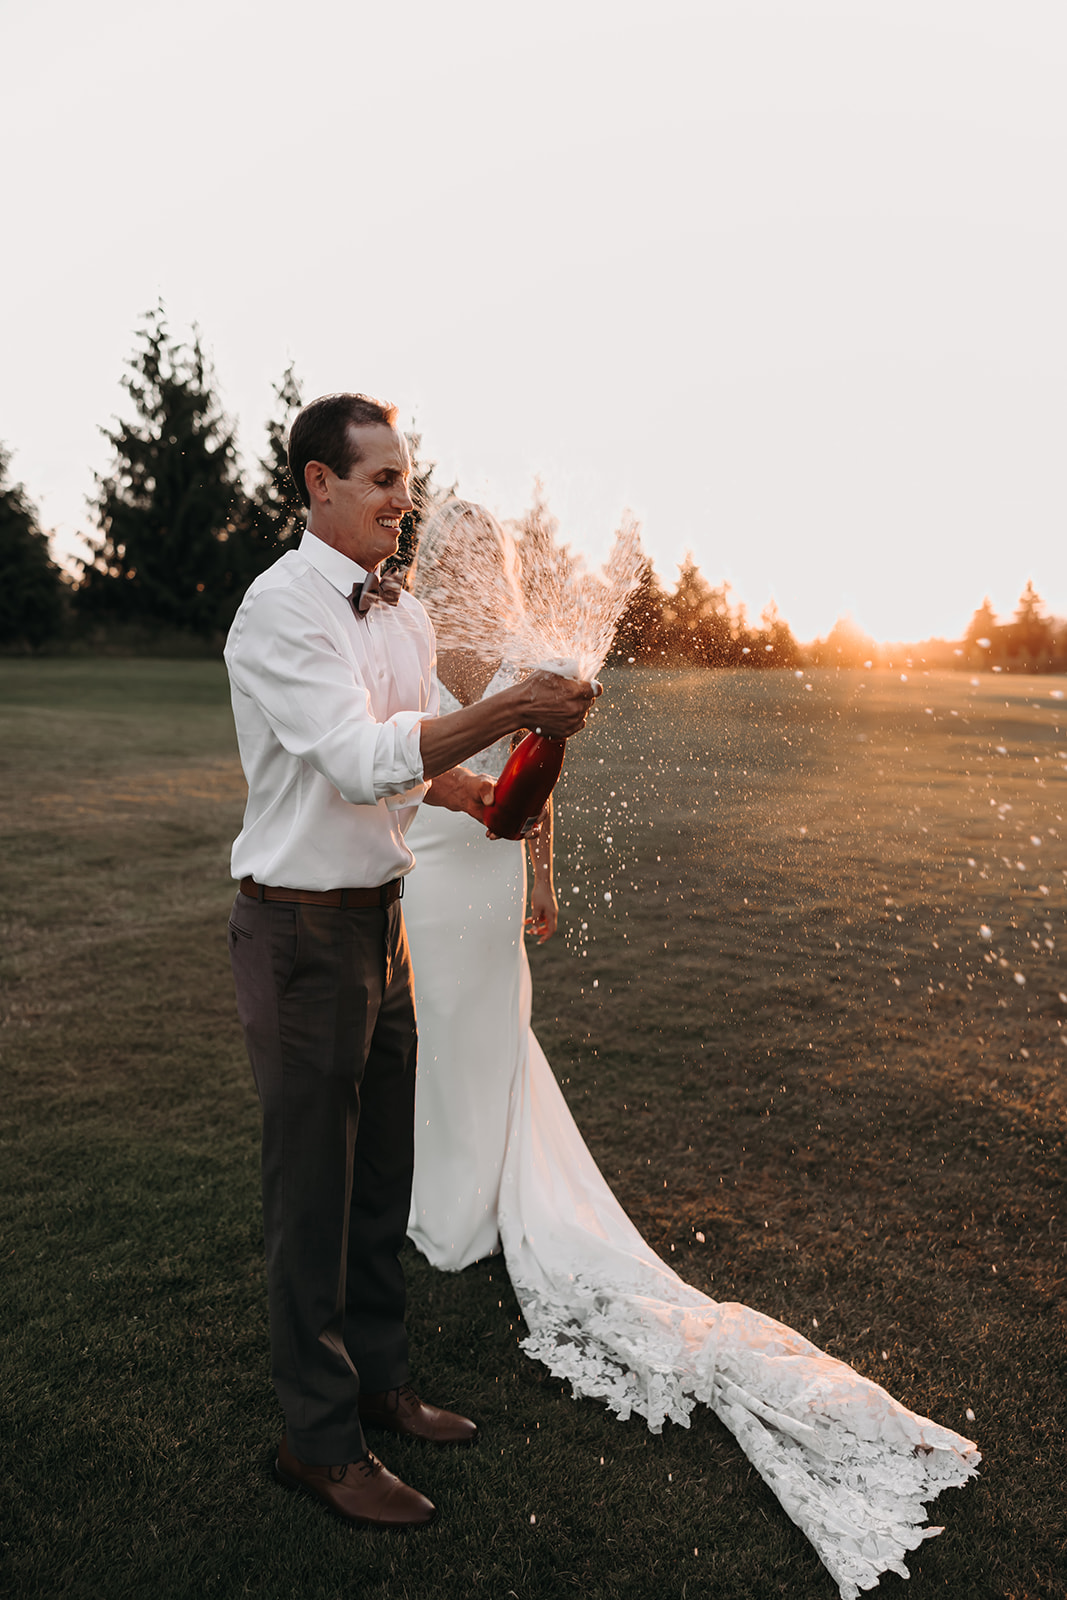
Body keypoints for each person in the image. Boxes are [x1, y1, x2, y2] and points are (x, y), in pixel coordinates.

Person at [403, 502, 981, 1599]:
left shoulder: (525, 657)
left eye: (486, 550)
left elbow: (538, 782)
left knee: (485, 1042)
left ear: (499, 562)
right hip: (420, 878)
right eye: (462, 549)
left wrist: (540, 873)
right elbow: (388, 753)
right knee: (435, 1045)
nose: (472, 561)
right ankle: (437, 1197)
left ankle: (465, 1216)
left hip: (475, 877)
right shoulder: (405, 637)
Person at [223, 396, 598, 1530]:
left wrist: (483, 791)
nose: (404, 496)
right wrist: (505, 709)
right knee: (313, 1192)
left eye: (406, 476)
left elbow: (407, 754)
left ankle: (380, 1383)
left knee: (382, 1170)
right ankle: (319, 1440)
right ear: (315, 486)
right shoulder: (276, 612)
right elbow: (352, 756)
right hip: (296, 931)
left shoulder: (405, 616)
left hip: (381, 919)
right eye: (380, 478)